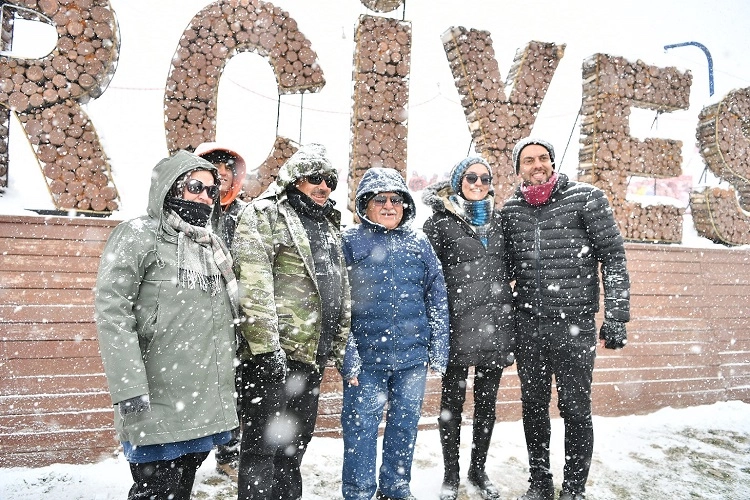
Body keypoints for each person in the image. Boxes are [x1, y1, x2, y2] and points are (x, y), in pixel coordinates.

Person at [95, 150, 240, 500]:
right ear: (171, 188)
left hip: (200, 399)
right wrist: (129, 387)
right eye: (196, 187)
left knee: (181, 488)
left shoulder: (210, 246)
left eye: (212, 190)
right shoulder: (138, 235)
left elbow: (220, 324)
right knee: (156, 490)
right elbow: (113, 313)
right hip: (155, 397)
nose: (206, 197)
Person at [501, 138, 631, 500]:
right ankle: (540, 483)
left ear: (553, 163)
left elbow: (614, 257)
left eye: (543, 158)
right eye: (528, 160)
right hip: (529, 325)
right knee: (533, 407)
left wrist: (616, 315)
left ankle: (574, 489)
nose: (537, 164)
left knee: (575, 408)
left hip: (574, 325)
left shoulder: (586, 197)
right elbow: (504, 267)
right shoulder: (511, 209)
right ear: (518, 169)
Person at [232, 143, 351, 500]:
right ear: (293, 179)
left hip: (311, 357)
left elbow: (339, 286)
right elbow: (253, 286)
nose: (324, 186)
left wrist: (338, 344)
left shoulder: (328, 222)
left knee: (293, 449)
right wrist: (267, 351)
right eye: (315, 178)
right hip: (271, 357)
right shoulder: (265, 214)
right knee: (261, 450)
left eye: (330, 180)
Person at [340, 167, 450, 500]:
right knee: (360, 430)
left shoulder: (419, 242)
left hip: (412, 360)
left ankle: (396, 488)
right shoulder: (349, 241)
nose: (390, 206)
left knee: (404, 427)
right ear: (364, 204)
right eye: (380, 199)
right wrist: (348, 355)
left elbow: (437, 294)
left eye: (396, 199)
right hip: (366, 362)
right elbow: (337, 302)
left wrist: (439, 348)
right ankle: (359, 492)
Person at [422, 156, 515, 500]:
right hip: (457, 329)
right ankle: (451, 474)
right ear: (458, 180)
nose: (478, 184)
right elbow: (429, 280)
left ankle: (478, 470)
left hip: (495, 327)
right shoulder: (440, 224)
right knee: (452, 405)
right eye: (471, 177)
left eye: (485, 178)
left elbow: (514, 269)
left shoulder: (502, 222)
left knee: (487, 406)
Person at [195, 142, 248, 481]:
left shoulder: (246, 214)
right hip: (198, 316)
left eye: (229, 171)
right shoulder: (191, 211)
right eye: (215, 170)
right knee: (198, 390)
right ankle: (188, 456)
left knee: (237, 392)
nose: (223, 176)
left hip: (237, 317)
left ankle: (229, 455)